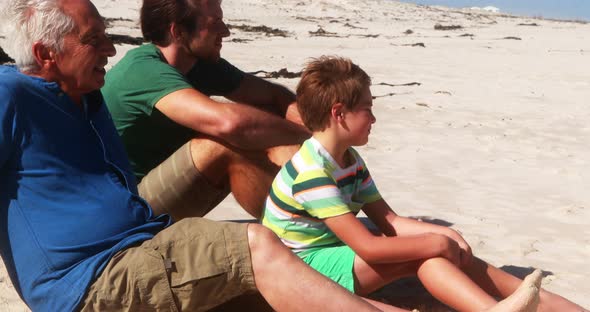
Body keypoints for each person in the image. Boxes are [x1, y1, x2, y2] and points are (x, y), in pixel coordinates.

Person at [0, 1, 388, 311]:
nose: (111, 48)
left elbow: (272, 99)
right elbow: (229, 125)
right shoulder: (12, 94)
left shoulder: (87, 96)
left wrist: (317, 130)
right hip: (89, 278)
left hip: (141, 237)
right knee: (256, 245)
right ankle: (300, 235)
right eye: (94, 39)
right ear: (45, 54)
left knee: (268, 287)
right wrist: (321, 134)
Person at [261, 56, 587, 312]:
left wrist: (446, 236)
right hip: (302, 269)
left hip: (330, 251)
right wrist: (434, 244)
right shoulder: (312, 173)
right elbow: (368, 246)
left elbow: (389, 221)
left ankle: (548, 304)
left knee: (445, 249)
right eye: (367, 109)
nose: (374, 118)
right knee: (425, 254)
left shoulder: (349, 160)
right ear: (340, 113)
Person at [102, 0, 308, 221]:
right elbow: (231, 125)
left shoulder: (198, 64)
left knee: (268, 118)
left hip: (161, 195)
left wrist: (319, 136)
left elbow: (275, 98)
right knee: (221, 143)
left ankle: (318, 206)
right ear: (178, 31)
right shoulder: (143, 70)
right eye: (215, 23)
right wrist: (310, 135)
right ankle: (295, 227)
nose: (226, 32)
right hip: (124, 208)